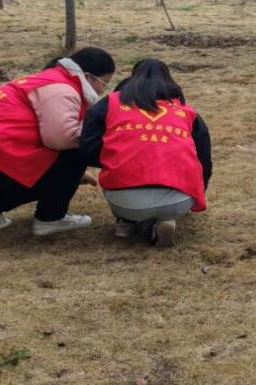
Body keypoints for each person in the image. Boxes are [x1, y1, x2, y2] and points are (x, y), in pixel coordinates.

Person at [0, 47, 116, 236]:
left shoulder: (46, 79)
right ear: (90, 77)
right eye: (105, 83)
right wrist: (73, 171)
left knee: (61, 165)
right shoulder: (62, 89)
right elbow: (61, 139)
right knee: (75, 153)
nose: (103, 90)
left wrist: (73, 176)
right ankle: (51, 218)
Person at [79, 59, 211, 247]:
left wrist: (116, 159)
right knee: (166, 203)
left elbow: (87, 148)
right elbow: (204, 160)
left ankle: (126, 220)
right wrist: (197, 195)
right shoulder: (186, 111)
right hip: (179, 200)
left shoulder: (110, 103)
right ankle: (165, 219)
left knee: (128, 194)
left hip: (123, 200)